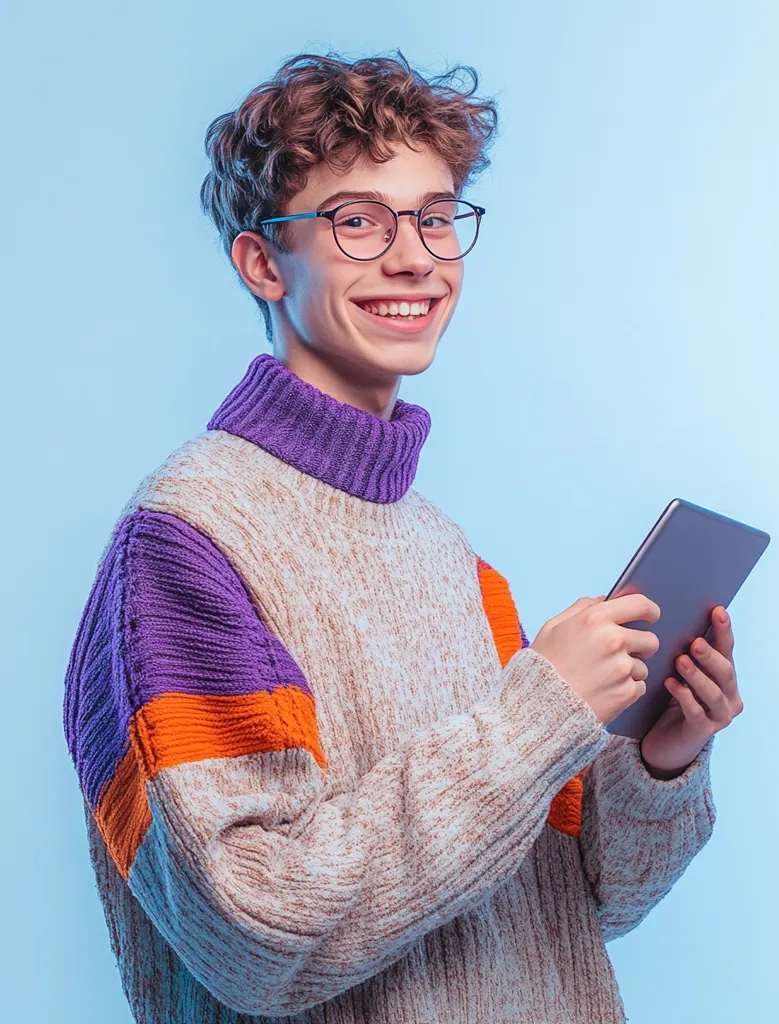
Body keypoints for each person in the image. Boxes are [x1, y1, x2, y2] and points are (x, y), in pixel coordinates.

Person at [63, 50, 743, 1024]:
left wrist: (657, 762)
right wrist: (539, 712)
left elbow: (579, 908)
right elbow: (257, 935)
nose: (415, 255)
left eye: (433, 216)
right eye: (357, 221)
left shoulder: (461, 565)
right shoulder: (185, 545)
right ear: (261, 260)